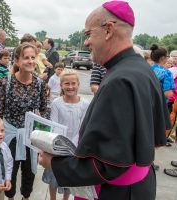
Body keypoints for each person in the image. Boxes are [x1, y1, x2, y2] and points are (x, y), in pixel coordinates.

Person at [39, 1, 169, 199]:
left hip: (116, 192)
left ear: (108, 29)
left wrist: (54, 163)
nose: (86, 43)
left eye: (88, 34)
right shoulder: (142, 69)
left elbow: (107, 165)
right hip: (140, 185)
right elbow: (157, 138)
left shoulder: (118, 81)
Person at [0, 42, 49, 200]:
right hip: (10, 135)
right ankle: (10, 197)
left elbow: (43, 112)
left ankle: (26, 197)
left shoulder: (40, 84)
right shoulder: (6, 84)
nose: (31, 61)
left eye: (33, 57)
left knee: (29, 172)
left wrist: (43, 142)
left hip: (30, 136)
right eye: (26, 58)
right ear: (17, 61)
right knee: (9, 172)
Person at [43, 69, 90, 200]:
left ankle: (65, 198)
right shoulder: (56, 103)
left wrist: (72, 147)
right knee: (53, 176)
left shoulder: (85, 104)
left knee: (69, 178)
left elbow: (83, 128)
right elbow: (54, 124)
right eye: (67, 84)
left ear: (78, 84)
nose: (70, 87)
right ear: (61, 85)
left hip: (75, 148)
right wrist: (60, 146)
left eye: (73, 83)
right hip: (57, 146)